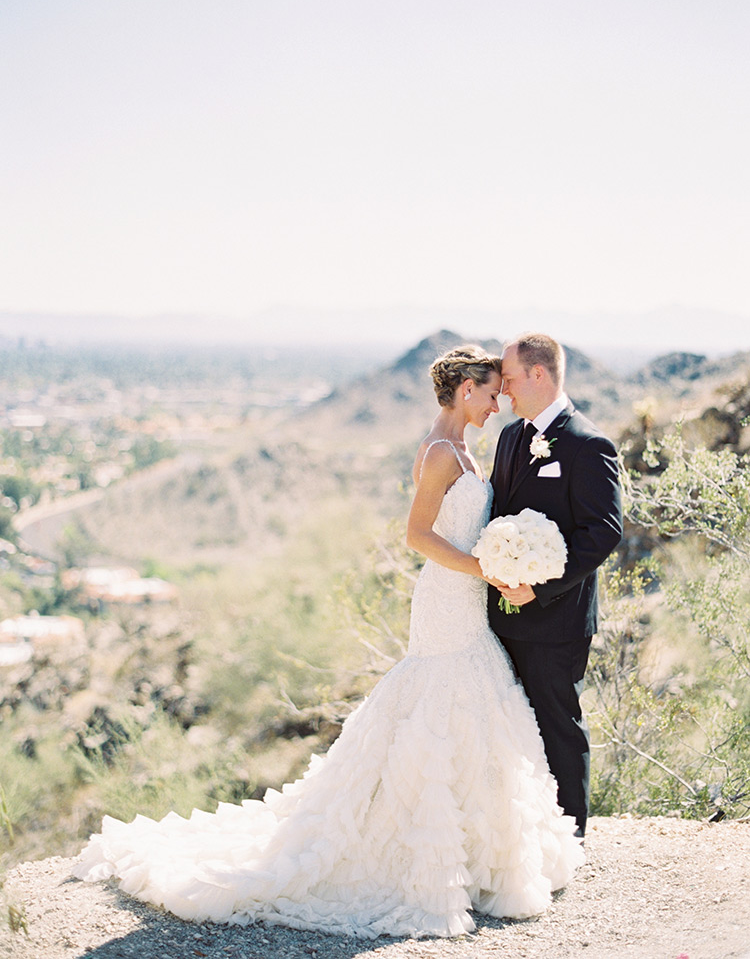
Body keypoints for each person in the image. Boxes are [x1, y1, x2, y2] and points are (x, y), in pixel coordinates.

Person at [74, 344, 583, 940]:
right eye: (492, 393)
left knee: (475, 707)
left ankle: (475, 857)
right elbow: (417, 535)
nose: (498, 404)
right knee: (441, 702)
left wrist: (500, 559)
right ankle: (417, 852)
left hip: (469, 601)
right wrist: (485, 568)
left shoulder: (466, 449)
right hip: (447, 600)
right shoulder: (440, 453)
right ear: (466, 390)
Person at [488, 333, 623, 840]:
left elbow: (602, 532)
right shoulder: (509, 437)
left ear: (538, 374)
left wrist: (541, 588)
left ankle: (569, 839)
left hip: (558, 618)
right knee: (512, 723)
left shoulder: (589, 445)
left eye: (509, 379)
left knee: (557, 724)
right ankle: (522, 835)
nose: (503, 390)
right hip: (502, 613)